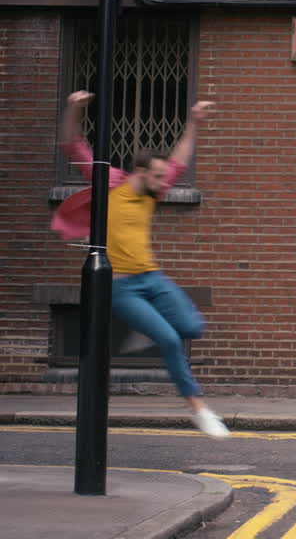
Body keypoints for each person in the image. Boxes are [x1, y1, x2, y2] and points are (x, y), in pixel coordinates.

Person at [52, 91, 228, 439]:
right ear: (140, 172)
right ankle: (198, 409)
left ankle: (146, 328)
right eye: (158, 177)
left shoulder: (152, 191)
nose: (165, 184)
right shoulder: (109, 183)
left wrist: (194, 121)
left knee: (193, 327)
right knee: (170, 340)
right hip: (122, 286)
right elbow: (73, 145)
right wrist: (72, 109)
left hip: (152, 278)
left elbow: (179, 159)